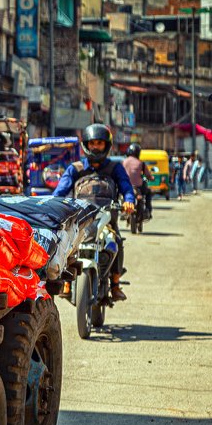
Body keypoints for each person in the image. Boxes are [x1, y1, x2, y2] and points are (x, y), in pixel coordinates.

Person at [51, 123, 135, 301]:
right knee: (65, 242)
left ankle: (115, 284)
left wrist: (129, 201)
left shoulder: (115, 168)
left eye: (99, 143)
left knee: (116, 242)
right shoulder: (76, 168)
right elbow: (60, 192)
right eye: (92, 143)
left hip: (106, 219)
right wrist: (53, 205)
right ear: (86, 145)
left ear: (106, 145)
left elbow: (126, 187)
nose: (95, 147)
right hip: (80, 219)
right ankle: (66, 280)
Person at [122, 143, 153, 220]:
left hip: (125, 186)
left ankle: (122, 211)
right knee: (149, 192)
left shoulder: (124, 162)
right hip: (138, 187)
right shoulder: (141, 163)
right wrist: (151, 178)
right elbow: (148, 175)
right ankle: (148, 210)